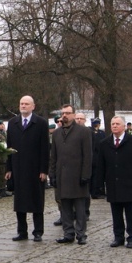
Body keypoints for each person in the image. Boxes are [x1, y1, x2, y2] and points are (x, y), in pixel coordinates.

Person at [94, 116, 132, 248]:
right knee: (116, 213)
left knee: (131, 213)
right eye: (113, 124)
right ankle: (118, 237)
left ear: (124, 126)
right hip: (113, 183)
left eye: (117, 124)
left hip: (130, 183)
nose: (115, 126)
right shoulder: (105, 143)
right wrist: (99, 184)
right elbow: (101, 165)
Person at [6, 95, 49, 242]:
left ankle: (38, 231)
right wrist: (8, 169)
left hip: (35, 169)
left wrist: (44, 170)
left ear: (33, 106)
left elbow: (45, 149)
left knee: (37, 201)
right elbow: (8, 148)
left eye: (26, 104)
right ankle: (21, 231)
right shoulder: (12, 123)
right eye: (21, 103)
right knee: (20, 202)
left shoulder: (41, 123)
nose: (23, 106)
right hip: (18, 168)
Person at [50, 104, 92, 244]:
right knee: (65, 206)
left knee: (79, 207)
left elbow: (87, 155)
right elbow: (53, 157)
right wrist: (53, 175)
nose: (65, 116)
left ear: (74, 115)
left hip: (78, 175)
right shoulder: (56, 133)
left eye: (68, 113)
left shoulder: (83, 131)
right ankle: (68, 233)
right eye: (63, 113)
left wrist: (85, 174)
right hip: (62, 175)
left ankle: (81, 234)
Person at [90, 117, 107, 198]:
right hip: (95, 156)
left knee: (99, 175)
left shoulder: (101, 133)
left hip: (101, 156)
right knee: (95, 176)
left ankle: (100, 191)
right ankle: (95, 192)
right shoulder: (92, 132)